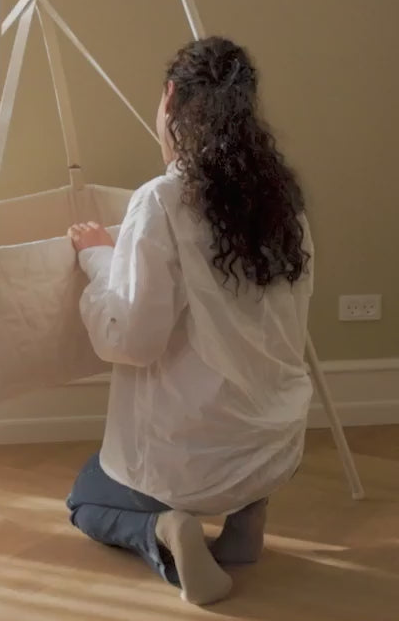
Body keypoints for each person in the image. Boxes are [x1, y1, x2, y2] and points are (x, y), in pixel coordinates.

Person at [65, 37, 313, 605]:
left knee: (85, 496)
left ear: (170, 96)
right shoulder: (283, 202)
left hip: (189, 464)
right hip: (275, 444)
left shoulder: (163, 200)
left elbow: (132, 339)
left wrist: (98, 258)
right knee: (239, 424)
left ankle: (166, 531)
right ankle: (245, 520)